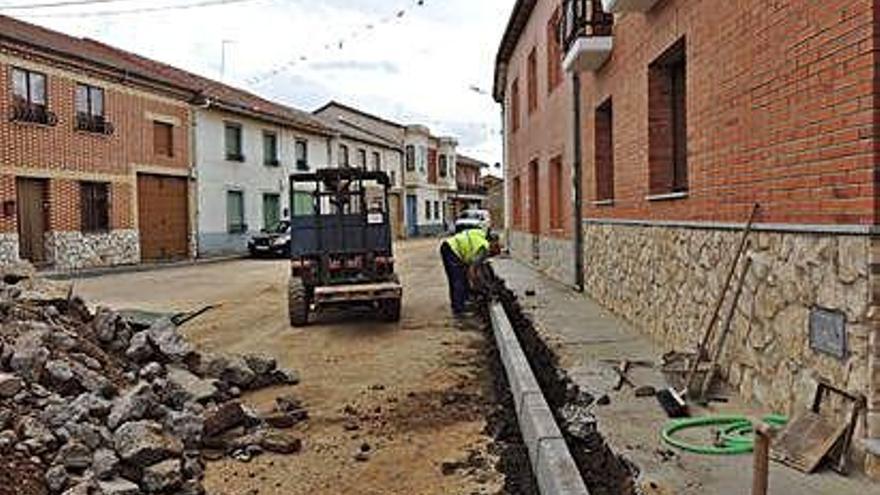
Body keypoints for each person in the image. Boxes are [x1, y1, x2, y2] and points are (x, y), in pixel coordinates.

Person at [440, 228, 500, 315]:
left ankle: (461, 302)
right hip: (452, 250)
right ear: (492, 242)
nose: (489, 256)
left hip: (449, 247)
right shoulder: (483, 247)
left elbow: (475, 267)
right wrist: (476, 285)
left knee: (458, 278)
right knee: (458, 279)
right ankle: (459, 309)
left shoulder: (480, 235)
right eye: (492, 253)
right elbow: (473, 269)